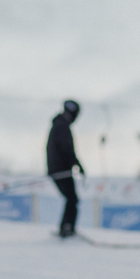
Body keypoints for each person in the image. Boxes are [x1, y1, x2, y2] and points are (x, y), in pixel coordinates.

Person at [46, 100, 84, 238]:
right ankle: (67, 228)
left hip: (58, 169)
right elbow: (66, 149)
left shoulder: (59, 124)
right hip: (61, 171)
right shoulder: (62, 126)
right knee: (72, 199)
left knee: (71, 198)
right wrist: (77, 164)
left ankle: (66, 227)